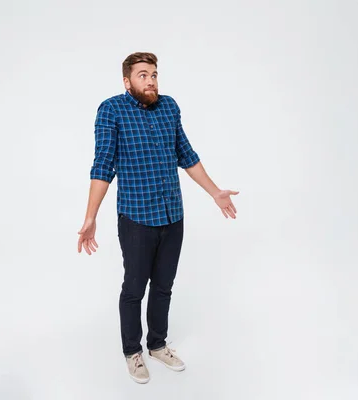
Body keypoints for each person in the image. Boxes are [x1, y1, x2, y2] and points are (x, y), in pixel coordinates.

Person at [76, 52, 239, 384]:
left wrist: (215, 192)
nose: (150, 81)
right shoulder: (112, 110)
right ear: (127, 81)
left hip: (172, 215)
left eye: (153, 74)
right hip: (136, 217)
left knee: (164, 285)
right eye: (142, 75)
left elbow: (186, 155)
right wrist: (90, 216)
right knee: (135, 287)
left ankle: (157, 344)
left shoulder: (169, 107)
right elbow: (102, 165)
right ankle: (132, 351)